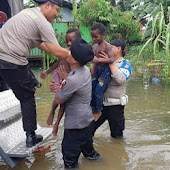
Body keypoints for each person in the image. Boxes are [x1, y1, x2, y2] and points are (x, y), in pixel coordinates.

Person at [0, 0, 71, 147]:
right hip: (11, 61)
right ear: (47, 5)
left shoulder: (27, 13)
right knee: (27, 97)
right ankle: (31, 135)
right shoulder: (42, 22)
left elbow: (42, 44)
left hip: (3, 57)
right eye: (56, 10)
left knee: (28, 81)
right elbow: (56, 50)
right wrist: (77, 56)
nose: (57, 14)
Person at [54, 38, 101, 168]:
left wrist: (62, 81)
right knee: (90, 154)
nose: (67, 51)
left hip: (76, 126)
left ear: (74, 60)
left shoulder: (72, 79)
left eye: (69, 51)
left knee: (70, 161)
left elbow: (59, 99)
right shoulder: (85, 70)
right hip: (87, 122)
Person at [40, 28, 81, 136]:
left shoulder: (79, 56)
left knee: (63, 102)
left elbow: (77, 72)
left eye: (71, 41)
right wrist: (47, 72)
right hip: (59, 76)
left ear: (78, 40)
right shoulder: (64, 52)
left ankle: (56, 124)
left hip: (68, 78)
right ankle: (52, 112)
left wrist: (67, 79)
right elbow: (57, 63)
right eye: (67, 41)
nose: (68, 43)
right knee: (57, 98)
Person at [92, 39, 132, 139]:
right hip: (99, 104)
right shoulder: (102, 62)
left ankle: (117, 153)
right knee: (89, 129)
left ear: (118, 49)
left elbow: (121, 79)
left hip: (115, 106)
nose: (108, 49)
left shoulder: (125, 64)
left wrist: (110, 62)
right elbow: (91, 76)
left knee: (117, 136)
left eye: (111, 47)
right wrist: (95, 61)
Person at [90, 22, 115, 121]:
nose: (94, 39)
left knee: (99, 89)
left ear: (103, 35)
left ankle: (98, 110)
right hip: (97, 69)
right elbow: (91, 58)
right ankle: (92, 108)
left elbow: (112, 59)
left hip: (105, 70)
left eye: (96, 37)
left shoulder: (107, 46)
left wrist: (99, 60)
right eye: (92, 37)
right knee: (92, 87)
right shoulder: (94, 47)